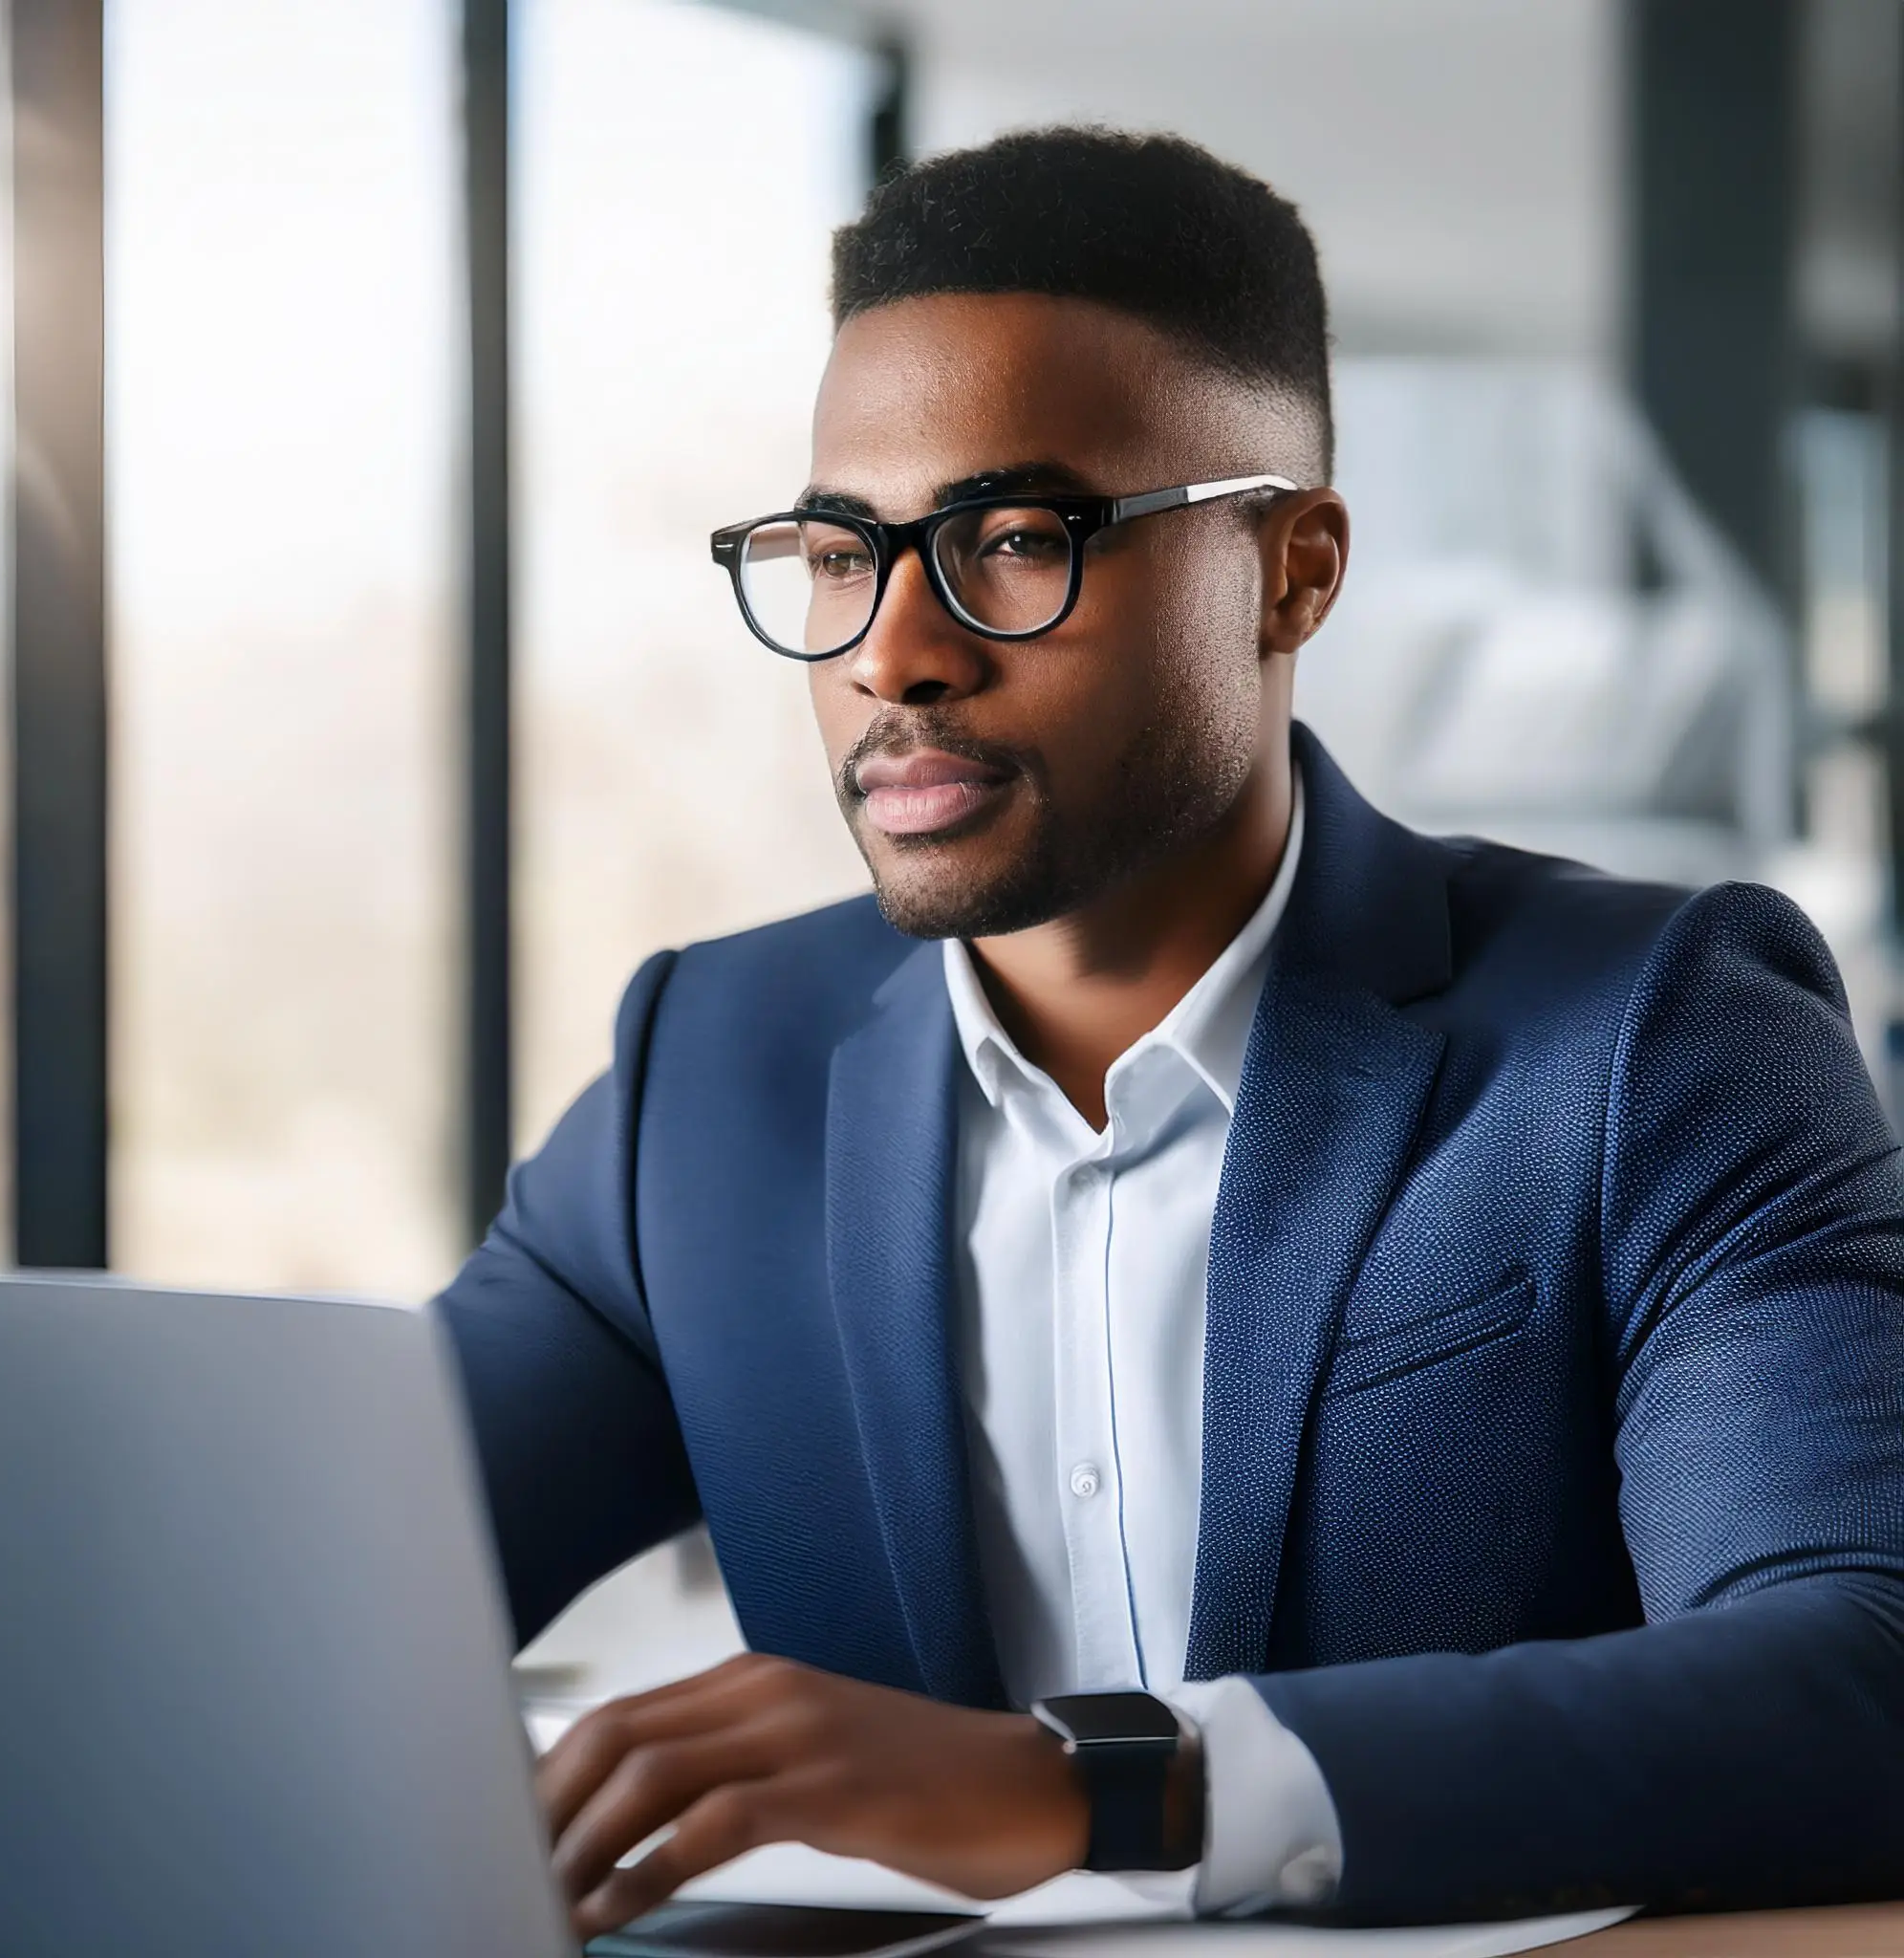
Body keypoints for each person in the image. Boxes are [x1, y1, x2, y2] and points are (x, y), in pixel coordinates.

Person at [437, 128, 1904, 1936]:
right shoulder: (705, 1079)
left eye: (1015, 541)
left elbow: (1860, 1670)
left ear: (1291, 574)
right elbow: (319, 1596)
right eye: (838, 554)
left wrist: (1094, 1788)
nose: (896, 651)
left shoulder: (1654, 1032)